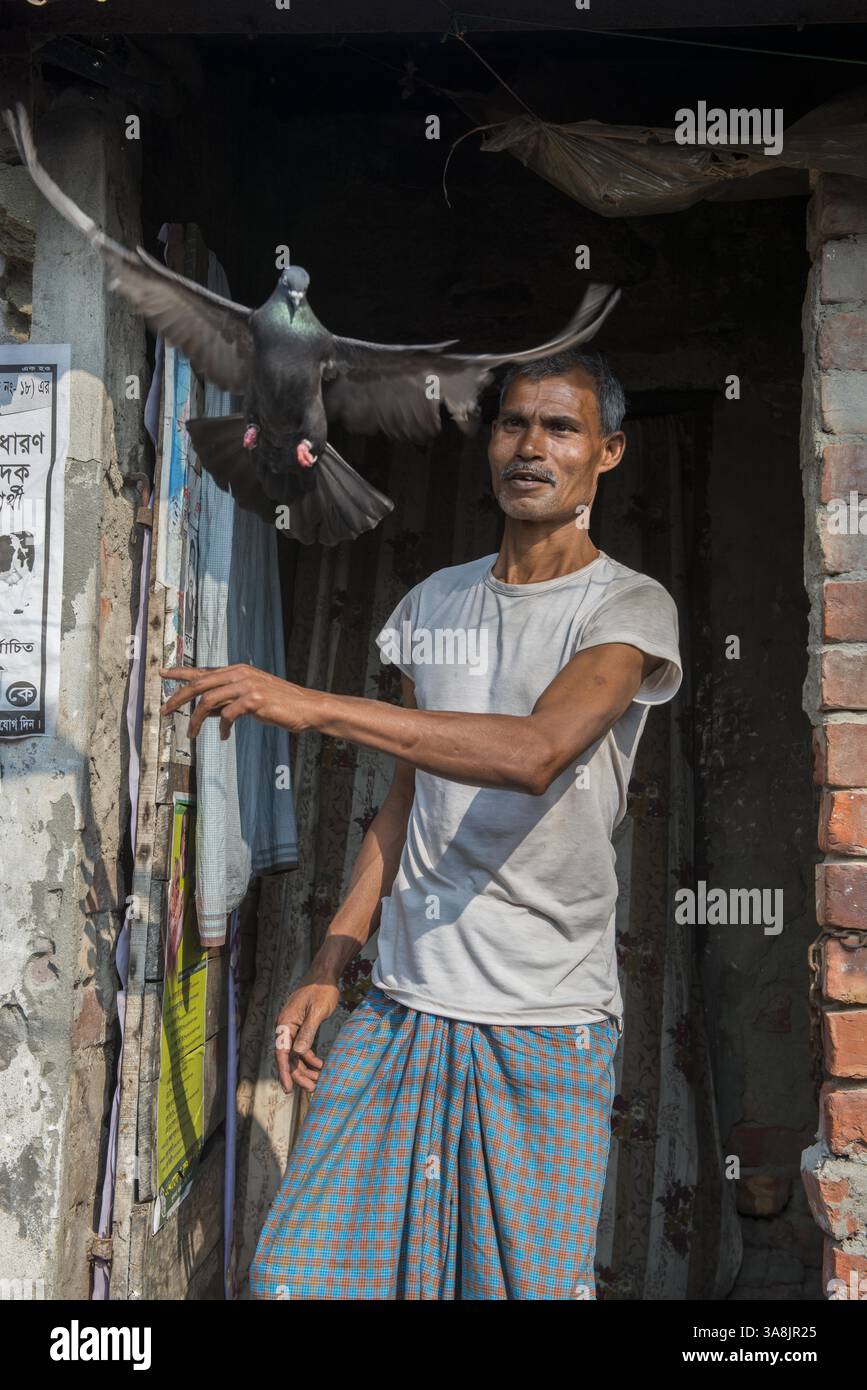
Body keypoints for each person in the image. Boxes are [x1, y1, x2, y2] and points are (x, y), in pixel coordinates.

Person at [160, 346, 683, 1300]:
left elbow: (534, 754)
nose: (531, 446)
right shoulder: (431, 605)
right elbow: (407, 799)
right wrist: (330, 965)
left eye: (560, 428)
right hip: (402, 1002)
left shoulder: (627, 608)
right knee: (298, 1279)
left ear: (605, 454)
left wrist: (309, 705)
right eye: (513, 423)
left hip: (542, 1021)